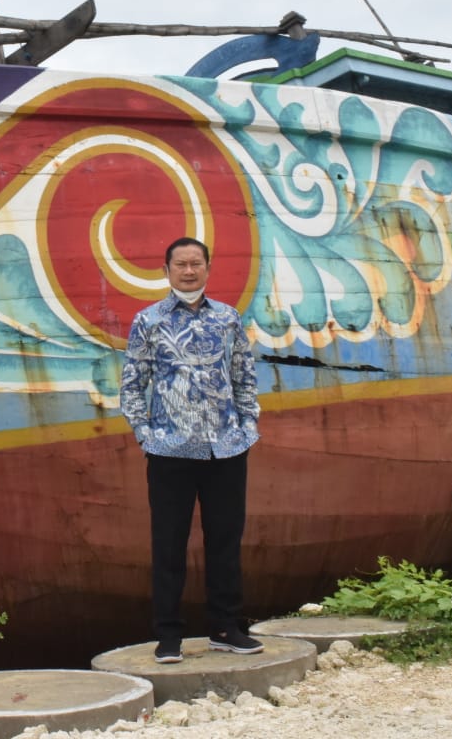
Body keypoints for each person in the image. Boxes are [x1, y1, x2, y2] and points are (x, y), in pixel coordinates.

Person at [119, 236, 262, 663]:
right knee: (169, 544)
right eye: (179, 264)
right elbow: (132, 384)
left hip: (227, 448)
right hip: (170, 451)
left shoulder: (228, 319)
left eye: (195, 263)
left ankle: (225, 627)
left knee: (225, 541)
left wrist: (248, 425)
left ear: (207, 268)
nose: (188, 271)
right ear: (166, 271)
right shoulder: (148, 321)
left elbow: (244, 376)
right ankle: (168, 635)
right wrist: (146, 434)